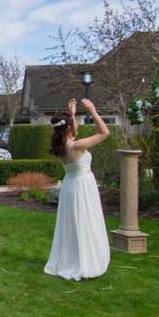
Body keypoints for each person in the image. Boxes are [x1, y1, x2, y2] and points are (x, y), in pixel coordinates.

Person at [44, 98, 111, 281]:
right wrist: (93, 111)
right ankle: (84, 262)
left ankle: (74, 258)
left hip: (70, 185)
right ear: (67, 128)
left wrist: (72, 114)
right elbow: (105, 132)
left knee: (74, 224)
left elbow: (74, 132)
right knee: (85, 221)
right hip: (83, 186)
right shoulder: (77, 146)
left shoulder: (60, 147)